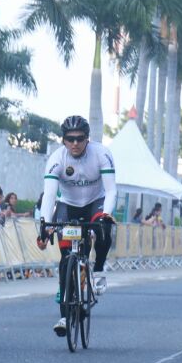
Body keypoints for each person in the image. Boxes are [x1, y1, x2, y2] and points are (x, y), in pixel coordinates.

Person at [37, 115, 117, 337]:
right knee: (65, 259)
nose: (75, 143)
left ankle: (99, 268)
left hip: (95, 202)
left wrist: (106, 214)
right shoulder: (56, 158)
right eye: (70, 139)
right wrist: (44, 225)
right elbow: (49, 196)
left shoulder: (101, 154)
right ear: (63, 140)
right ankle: (64, 315)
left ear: (87, 139)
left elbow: (111, 190)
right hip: (68, 205)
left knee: (104, 228)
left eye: (79, 138)